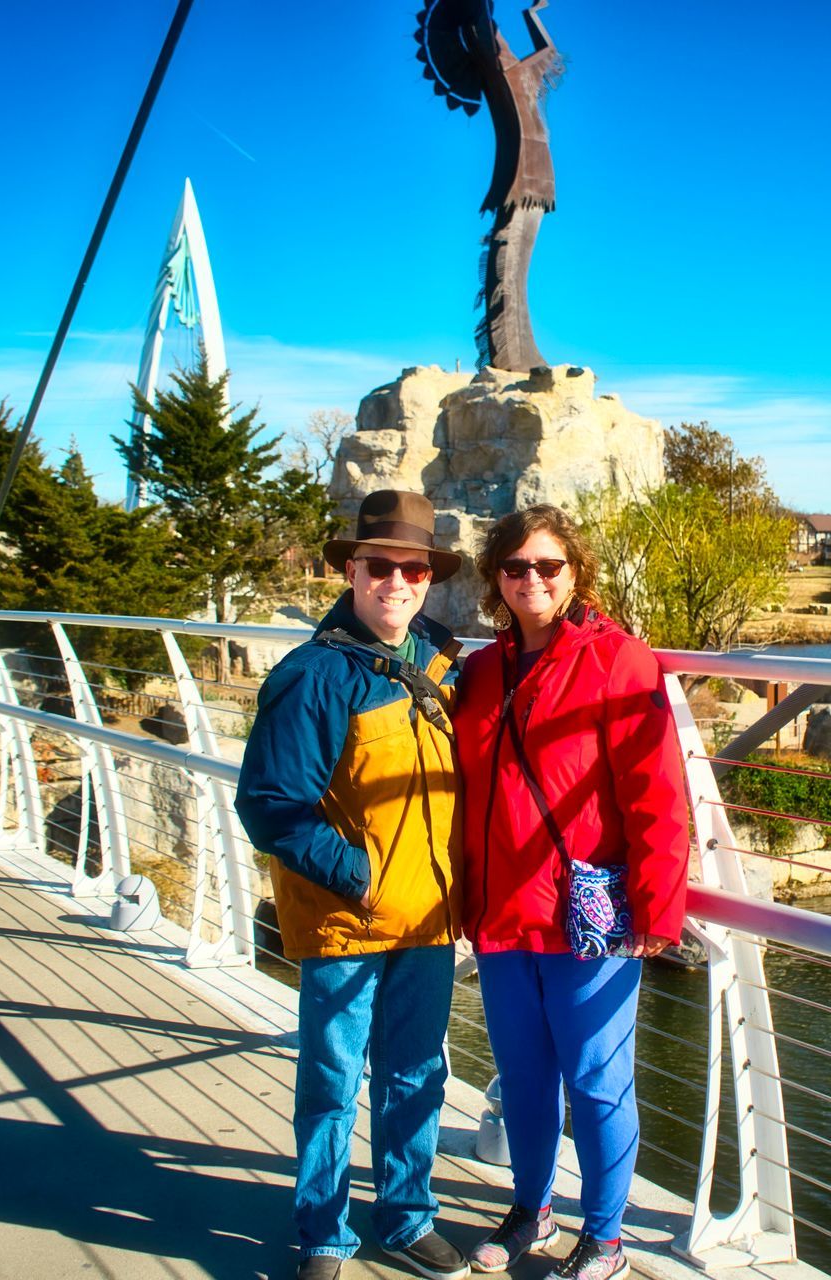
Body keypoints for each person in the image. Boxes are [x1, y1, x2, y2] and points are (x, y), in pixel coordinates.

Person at [234, 490, 471, 1280]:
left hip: (430, 918)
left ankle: (406, 1218)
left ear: (430, 577)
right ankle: (324, 1234)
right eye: (380, 566)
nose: (396, 582)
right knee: (332, 1082)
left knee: (416, 1075)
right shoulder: (314, 675)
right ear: (351, 569)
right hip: (352, 919)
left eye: (413, 568)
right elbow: (271, 806)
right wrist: (361, 880)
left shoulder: (437, 660)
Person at [453, 505, 691, 1280]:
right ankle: (533, 1210)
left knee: (596, 1078)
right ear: (496, 578)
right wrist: (463, 898)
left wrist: (659, 906)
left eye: (548, 566)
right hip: (500, 913)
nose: (532, 581)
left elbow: (657, 792)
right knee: (523, 1075)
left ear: (575, 572)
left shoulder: (620, 661)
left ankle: (608, 1234)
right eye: (516, 567)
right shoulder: (482, 672)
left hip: (584, 915)